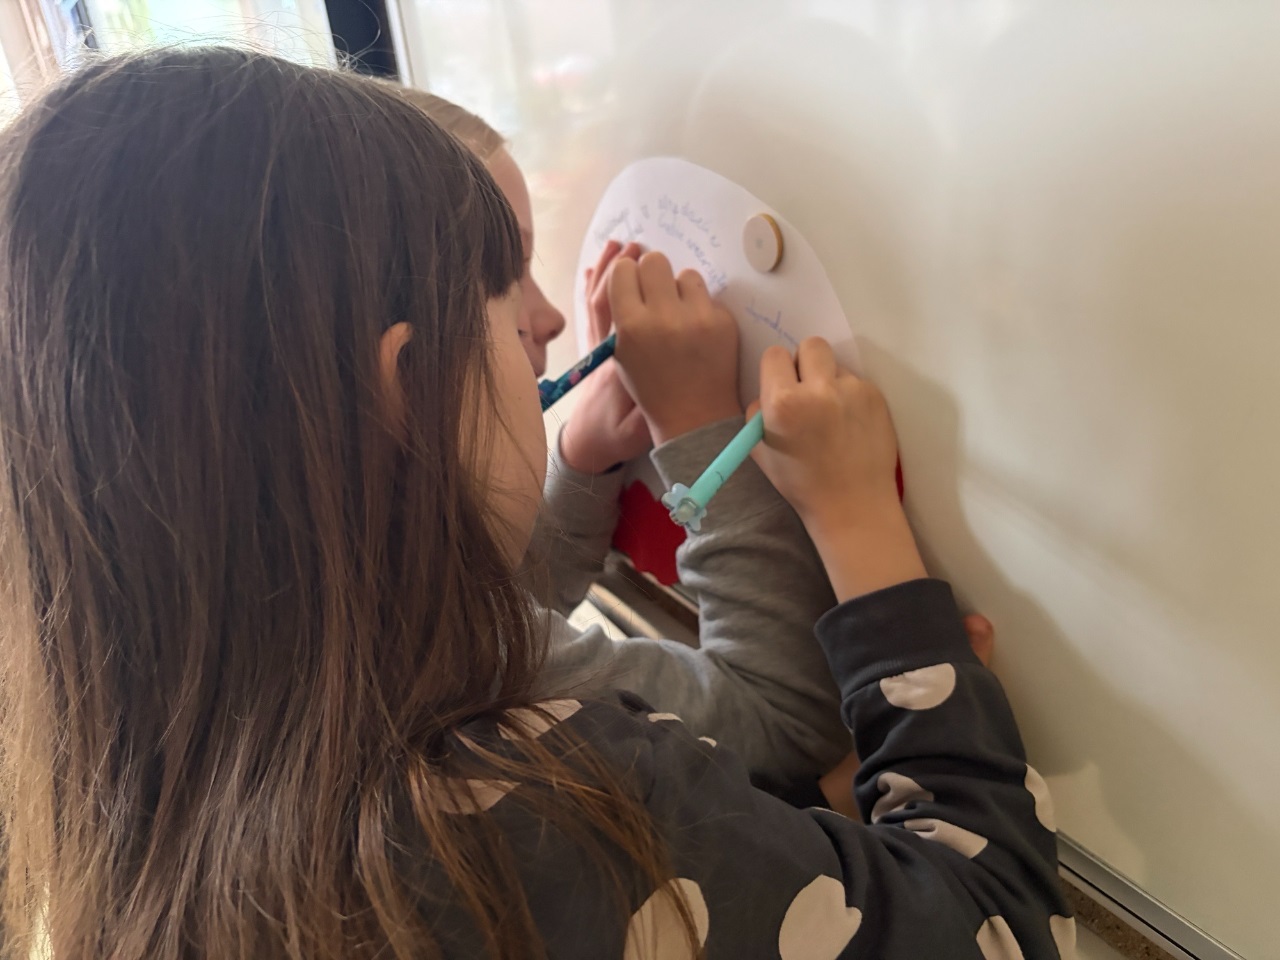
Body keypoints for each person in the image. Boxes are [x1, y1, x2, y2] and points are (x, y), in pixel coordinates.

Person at [0, 49, 1071, 959]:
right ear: (411, 390)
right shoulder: (543, 814)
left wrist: (579, 466)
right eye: (508, 296)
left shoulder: (145, 747)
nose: (551, 322)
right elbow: (998, 929)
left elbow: (493, 604)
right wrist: (852, 522)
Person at [394, 88, 996, 807]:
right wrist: (696, 424)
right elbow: (778, 723)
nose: (549, 317)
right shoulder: (458, 665)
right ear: (407, 374)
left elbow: (505, 596)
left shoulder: (364, 601)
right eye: (507, 281)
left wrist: (583, 461)